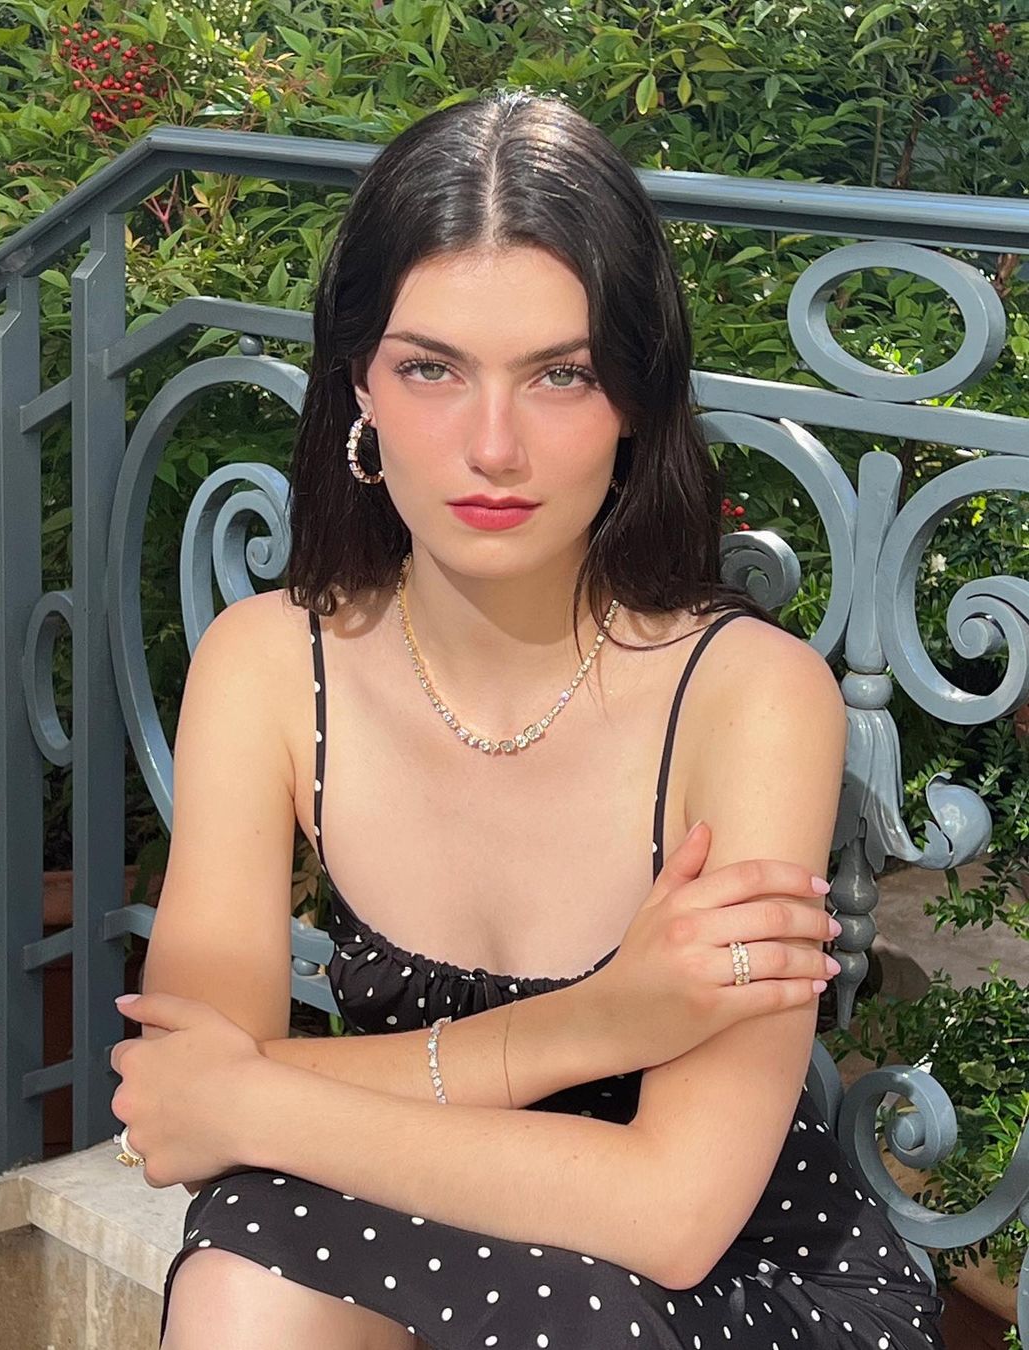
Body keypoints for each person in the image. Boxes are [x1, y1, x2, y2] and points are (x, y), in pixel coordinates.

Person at [145, 88, 946, 1348]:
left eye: (560, 375)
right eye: (431, 369)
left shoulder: (747, 699)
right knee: (248, 1272)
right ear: (359, 383)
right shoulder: (269, 667)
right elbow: (177, 1098)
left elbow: (673, 1214)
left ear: (633, 398)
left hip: (728, 1281)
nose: (494, 446)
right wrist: (594, 1023)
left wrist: (252, 1093)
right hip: (420, 1193)